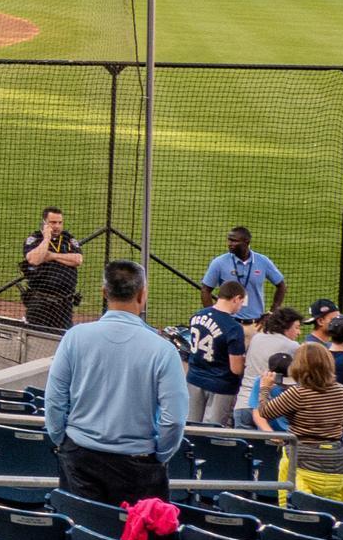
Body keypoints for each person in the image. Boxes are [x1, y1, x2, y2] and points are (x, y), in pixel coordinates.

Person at [44, 260, 188, 506]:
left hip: (80, 457)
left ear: (104, 292)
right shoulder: (163, 350)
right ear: (142, 295)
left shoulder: (75, 337)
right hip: (138, 465)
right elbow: (173, 420)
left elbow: (55, 400)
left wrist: (64, 441)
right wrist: (159, 455)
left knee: (85, 537)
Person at [256, 343, 343, 501]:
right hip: (338, 466)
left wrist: (264, 389)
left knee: (293, 511)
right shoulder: (342, 390)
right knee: (336, 515)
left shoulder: (297, 392)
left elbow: (265, 411)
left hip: (302, 464)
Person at [184, 281, 251, 426]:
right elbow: (236, 368)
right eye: (241, 302)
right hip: (221, 386)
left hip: (194, 379)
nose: (241, 306)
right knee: (212, 432)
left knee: (190, 427)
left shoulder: (197, 316)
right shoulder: (234, 328)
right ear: (236, 298)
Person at [20, 207, 85, 331]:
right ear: (44, 223)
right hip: (39, 301)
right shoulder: (35, 238)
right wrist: (46, 238)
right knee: (35, 336)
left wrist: (52, 256)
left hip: (64, 303)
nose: (57, 226)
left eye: (60, 223)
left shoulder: (68, 238)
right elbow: (34, 259)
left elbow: (78, 260)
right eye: (53, 223)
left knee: (61, 338)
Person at [239, 308, 305, 427]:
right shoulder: (292, 346)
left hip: (242, 405)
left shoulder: (256, 338)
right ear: (285, 327)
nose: (299, 332)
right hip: (268, 411)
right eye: (296, 327)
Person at [203, 227, 287, 319]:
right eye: (229, 240)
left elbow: (281, 285)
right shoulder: (219, 262)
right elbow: (205, 290)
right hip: (228, 322)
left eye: (234, 241)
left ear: (246, 242)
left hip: (255, 323)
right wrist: (214, 316)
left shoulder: (262, 261)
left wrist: (272, 311)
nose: (230, 244)